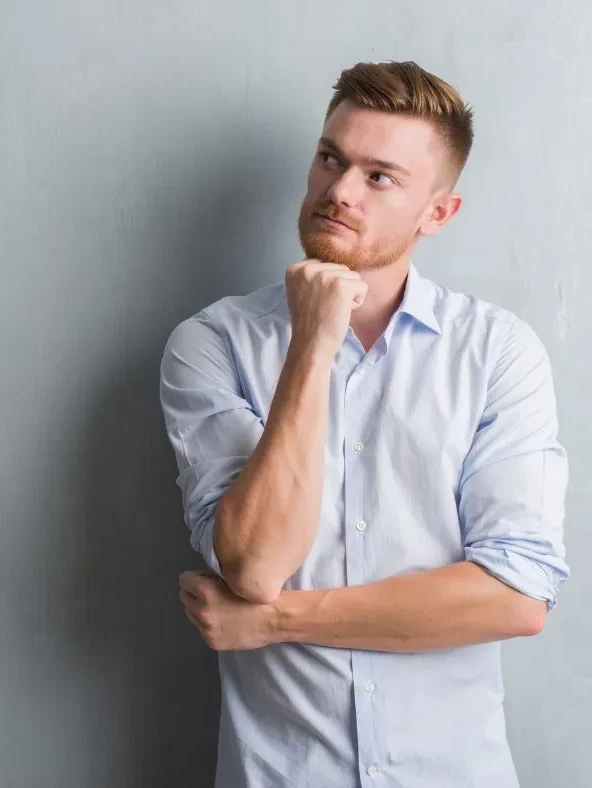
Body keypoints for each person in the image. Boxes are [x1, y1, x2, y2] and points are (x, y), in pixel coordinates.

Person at [158, 60, 569, 788]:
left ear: (436, 213)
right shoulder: (213, 344)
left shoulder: (497, 353)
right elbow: (254, 565)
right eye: (330, 159)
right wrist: (313, 344)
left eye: (380, 177)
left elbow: (515, 596)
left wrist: (277, 621)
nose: (339, 192)